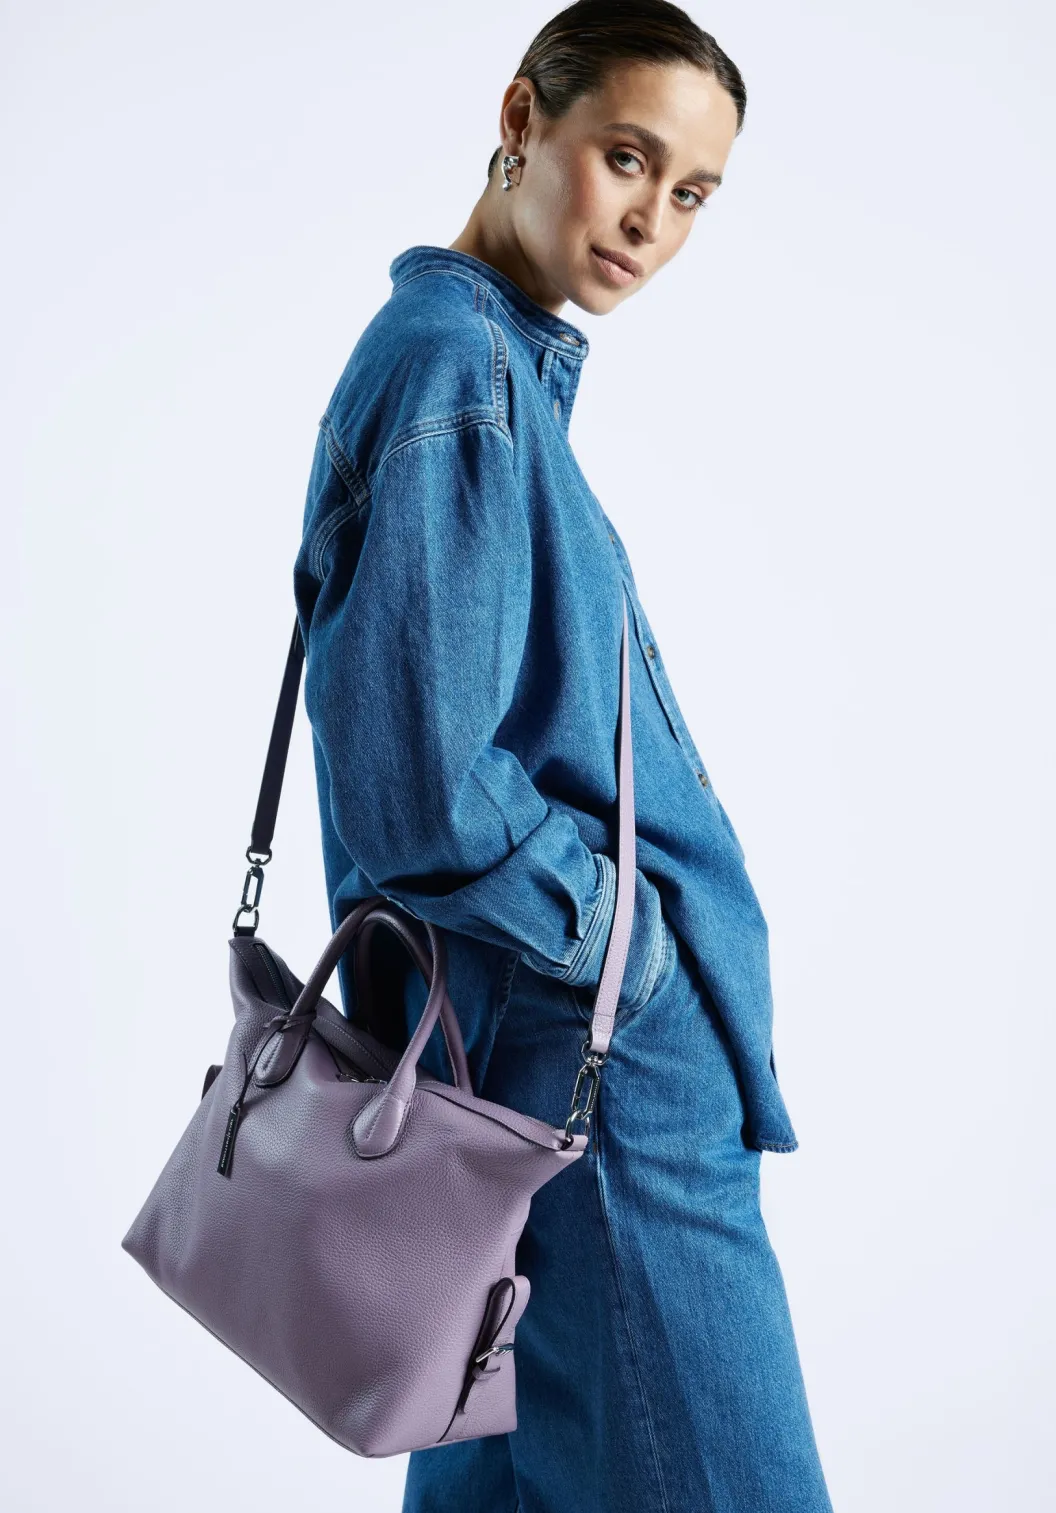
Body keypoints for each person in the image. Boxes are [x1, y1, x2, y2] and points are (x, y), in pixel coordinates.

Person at [293, 2, 835, 1508]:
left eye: (694, 193)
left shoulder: (485, 371)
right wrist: (627, 951)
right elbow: (422, 792)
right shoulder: (457, 371)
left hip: (500, 1081)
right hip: (590, 1086)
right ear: (523, 118)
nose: (653, 222)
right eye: (629, 158)